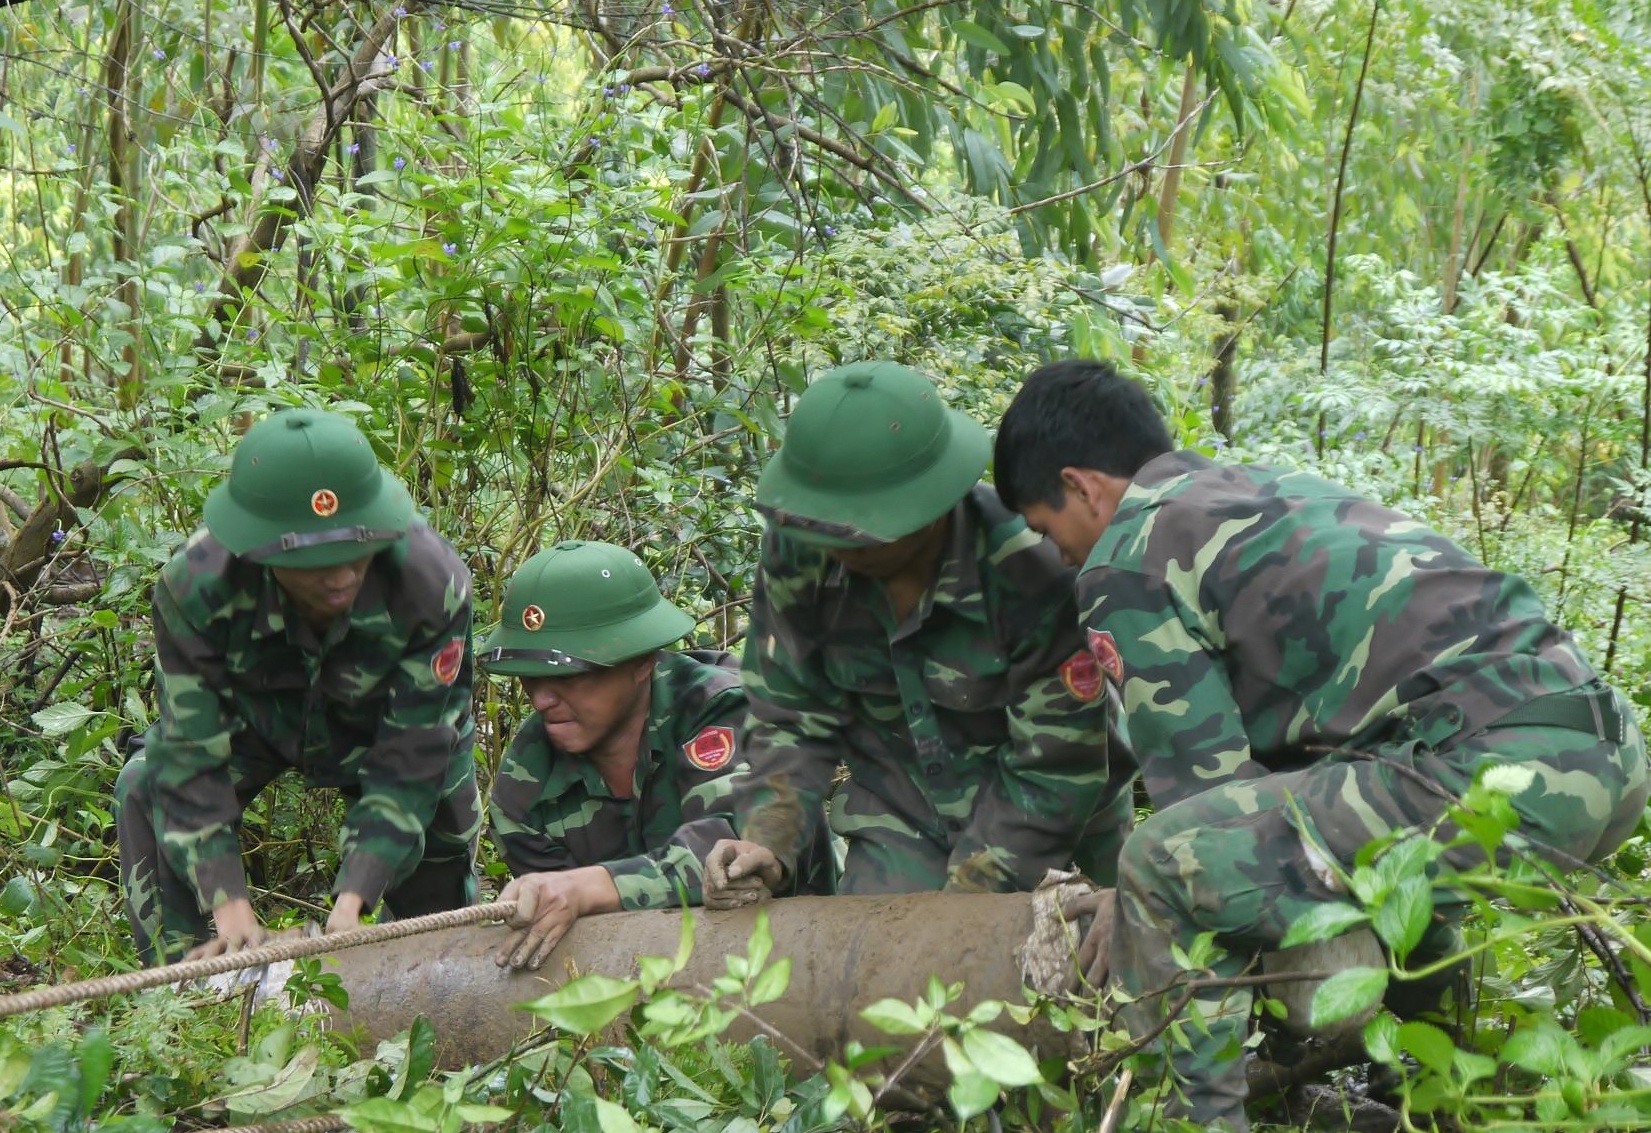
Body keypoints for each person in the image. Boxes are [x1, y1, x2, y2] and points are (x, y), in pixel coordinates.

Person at [992, 358, 1650, 1131]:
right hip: (1601, 754)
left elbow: (1199, 800)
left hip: (1483, 764)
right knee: (1376, 849)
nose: (1061, 554)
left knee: (1160, 862)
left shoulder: (1126, 556)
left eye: (1046, 529)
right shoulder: (1269, 491)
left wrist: (1137, 900)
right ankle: (1432, 1098)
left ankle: (1192, 1121)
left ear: (1082, 486)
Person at [704, 360, 1133, 908]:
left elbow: (1056, 761)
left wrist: (966, 901)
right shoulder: (798, 551)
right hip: (898, 804)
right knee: (878, 971)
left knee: (1096, 964)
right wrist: (767, 840)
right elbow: (790, 714)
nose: (835, 542)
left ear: (931, 504)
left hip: (1060, 809)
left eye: (857, 526)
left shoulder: (1032, 564)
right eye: (823, 521)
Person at [115, 409, 481, 965]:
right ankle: (179, 995)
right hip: (257, 724)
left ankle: (432, 976)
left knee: (443, 831)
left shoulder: (431, 584)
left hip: (382, 730)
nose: (337, 575)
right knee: (145, 785)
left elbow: (412, 757)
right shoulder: (196, 586)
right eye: (309, 562)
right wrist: (228, 902)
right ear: (257, 551)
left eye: (352, 552)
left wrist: (355, 896)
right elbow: (190, 753)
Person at [479, 540, 825, 970]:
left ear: (641, 662)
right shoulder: (525, 785)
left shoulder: (727, 709)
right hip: (639, 976)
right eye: (529, 677)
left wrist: (584, 889)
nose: (543, 699)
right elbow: (565, 932)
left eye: (568, 674)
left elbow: (737, 849)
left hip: (801, 955)